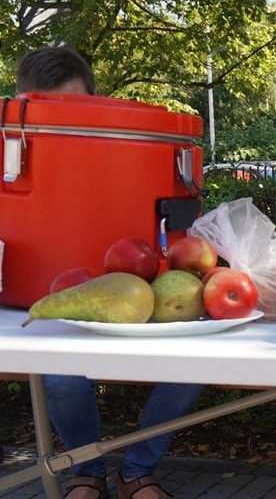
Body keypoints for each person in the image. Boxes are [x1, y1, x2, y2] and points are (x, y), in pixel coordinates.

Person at [16, 46, 205, 499]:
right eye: (40, 108)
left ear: (96, 99)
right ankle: (88, 471)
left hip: (143, 289)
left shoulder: (128, 145)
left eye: (74, 107)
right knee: (60, 378)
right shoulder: (12, 144)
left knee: (194, 367)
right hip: (47, 293)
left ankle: (137, 471)